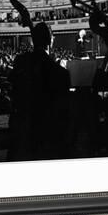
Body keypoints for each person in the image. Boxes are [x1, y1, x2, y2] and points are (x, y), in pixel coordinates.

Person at [8, 23, 71, 161]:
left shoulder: (20, 62)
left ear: (32, 40)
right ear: (50, 40)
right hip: (47, 136)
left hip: (20, 132)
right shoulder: (61, 73)